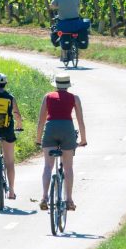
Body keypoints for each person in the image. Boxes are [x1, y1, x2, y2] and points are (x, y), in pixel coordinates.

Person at [36, 72, 87, 211]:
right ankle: (69, 200)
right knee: (68, 167)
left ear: (56, 84)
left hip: (50, 129)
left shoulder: (48, 97)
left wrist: (38, 139)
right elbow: (81, 121)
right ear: (68, 85)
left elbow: (41, 121)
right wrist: (83, 139)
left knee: (48, 166)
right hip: (67, 129)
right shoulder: (74, 98)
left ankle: (45, 197)